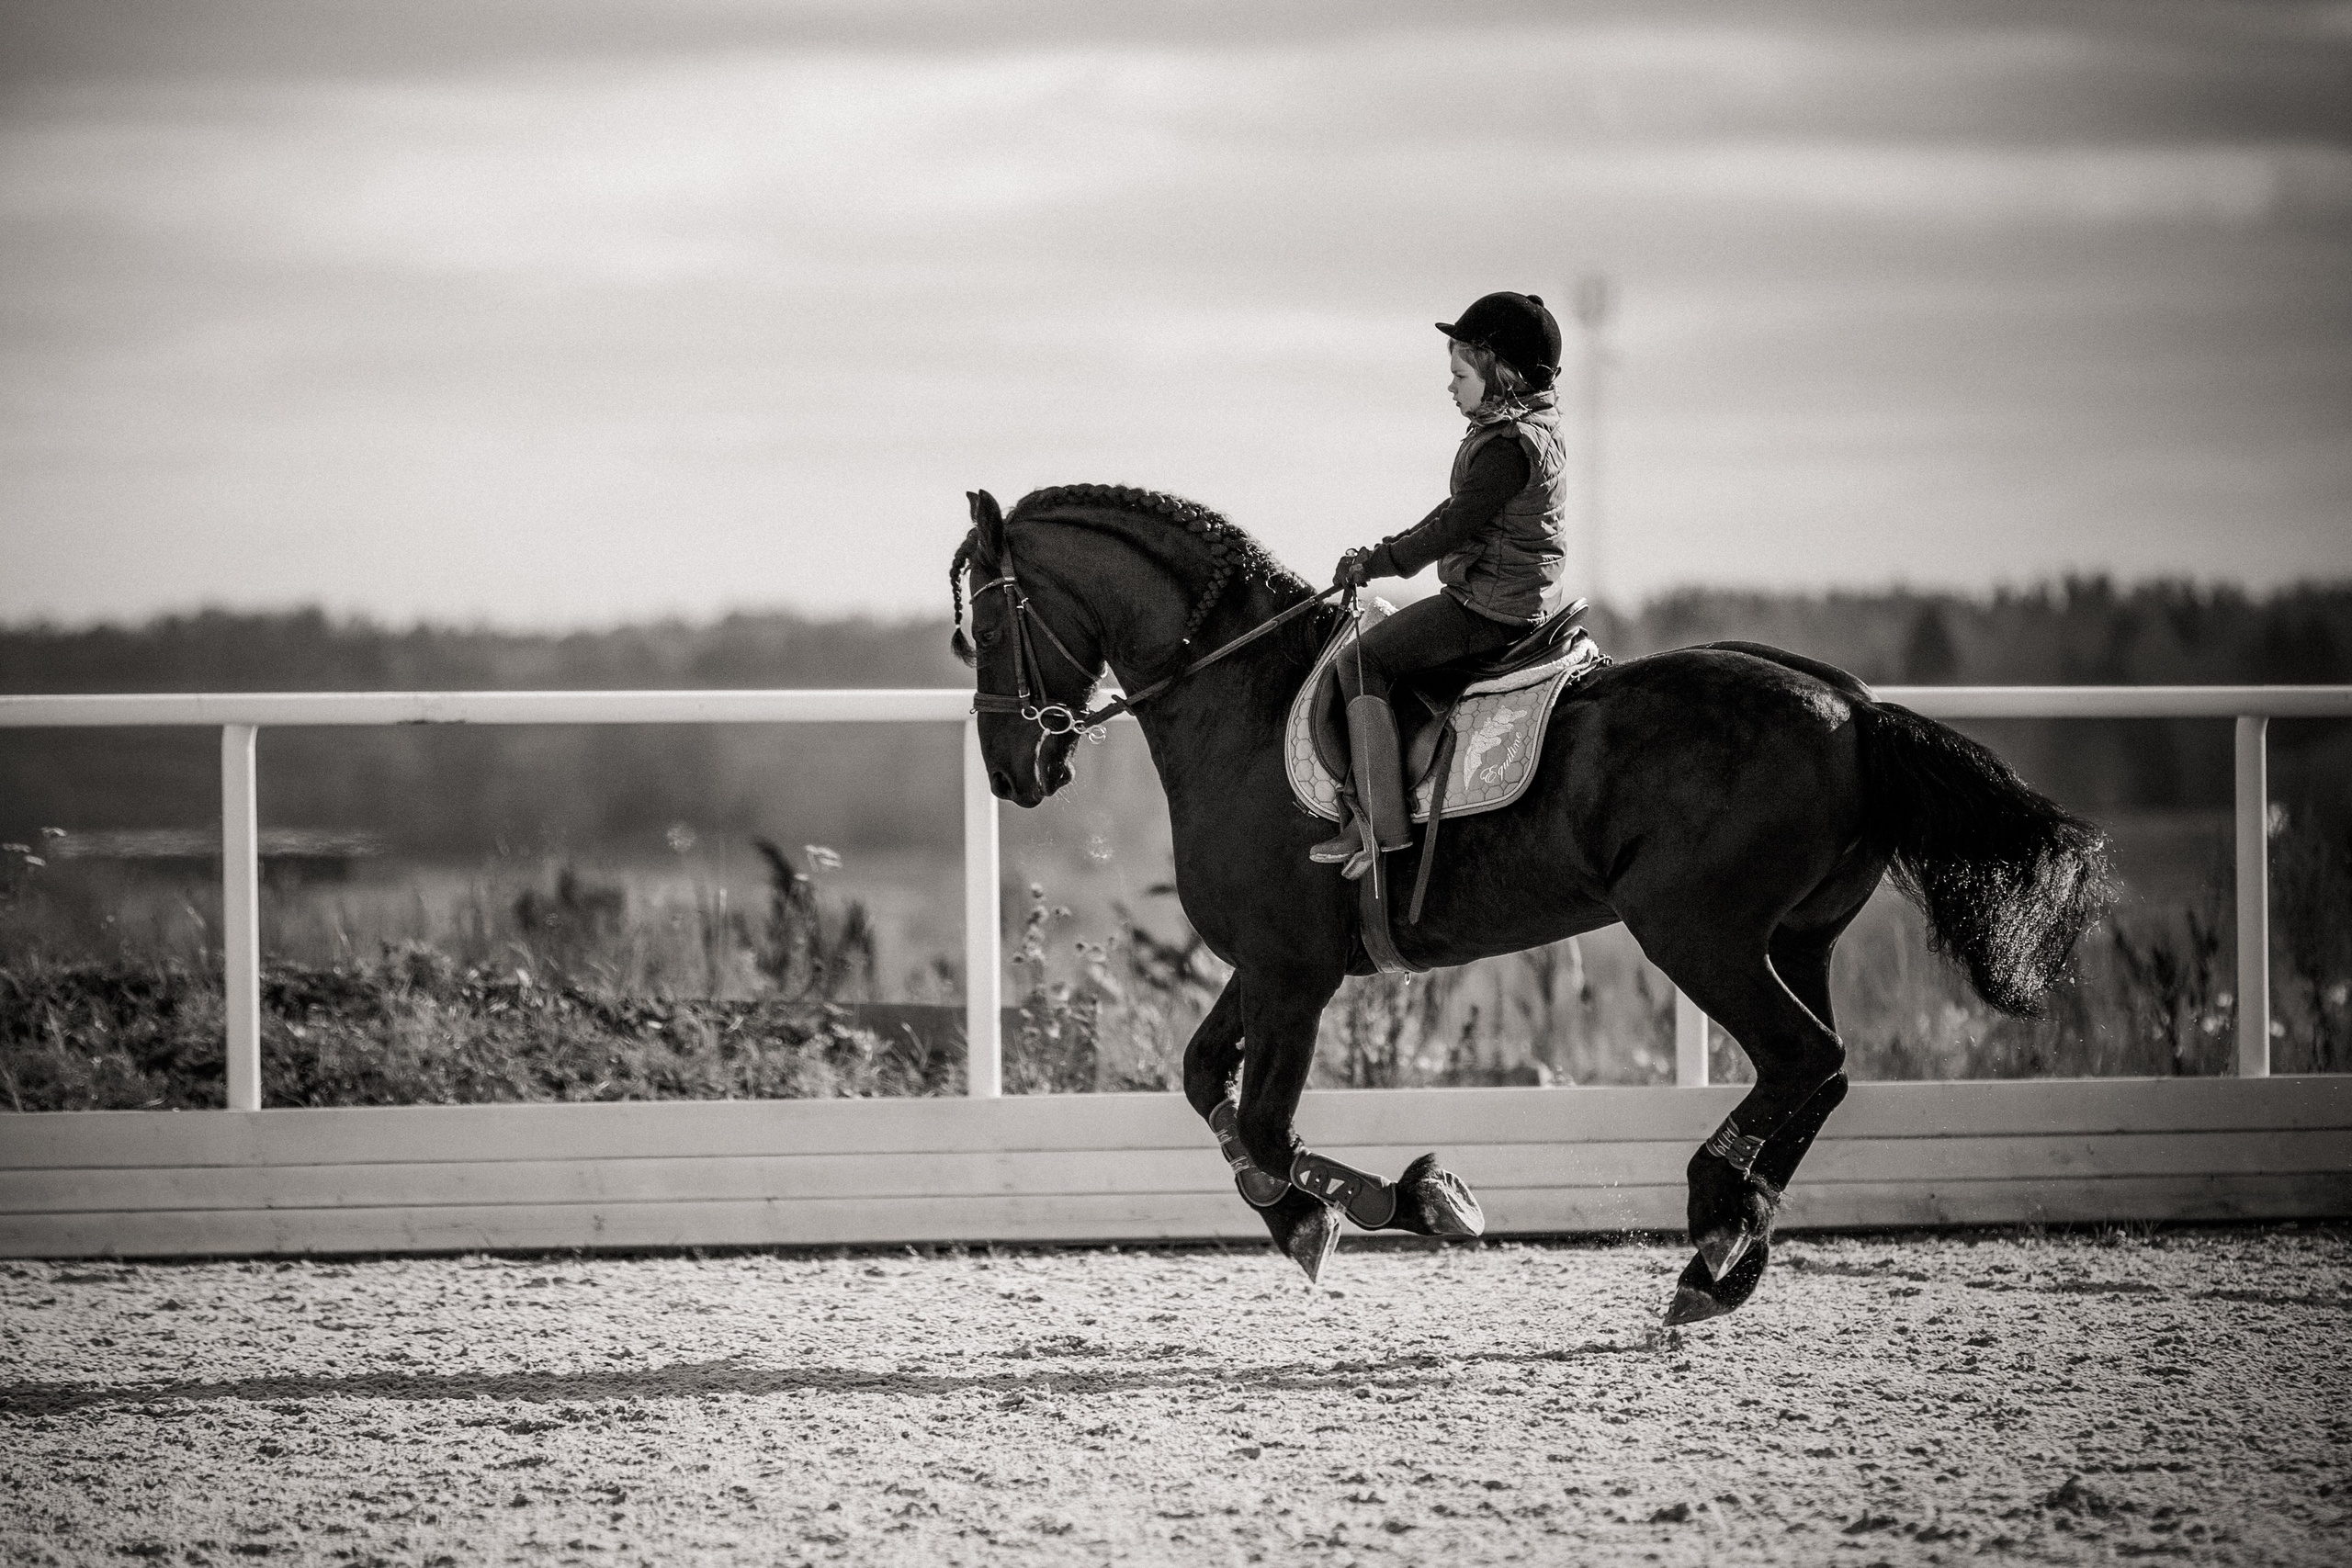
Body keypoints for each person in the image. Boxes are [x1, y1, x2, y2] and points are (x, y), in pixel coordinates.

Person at [1312, 291, 1572, 877]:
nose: (1450, 387)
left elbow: (1453, 527)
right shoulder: (1520, 431)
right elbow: (1453, 510)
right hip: (1509, 598)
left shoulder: (1509, 447)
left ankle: (1382, 827)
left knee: (1359, 664)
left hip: (1488, 609)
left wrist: (1378, 565)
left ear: (1500, 373)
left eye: (1460, 374)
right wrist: (1378, 552)